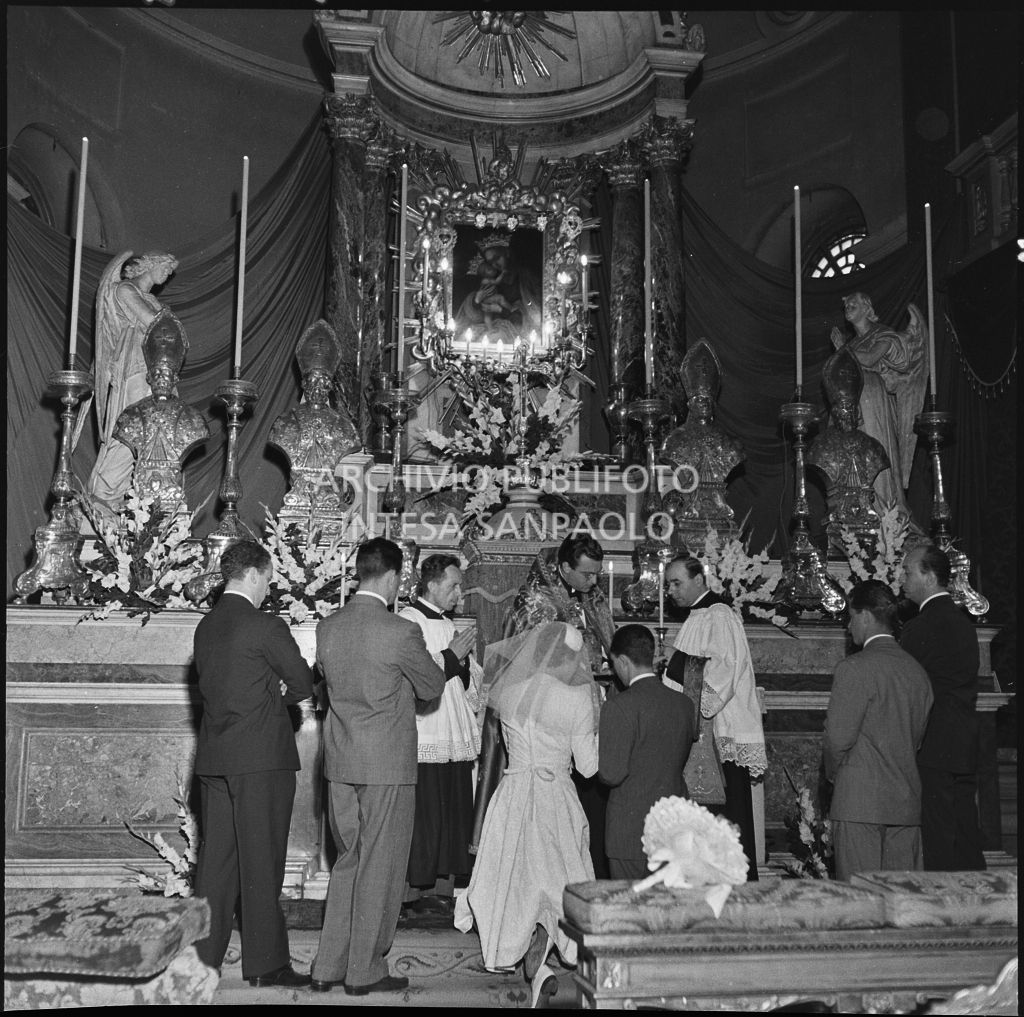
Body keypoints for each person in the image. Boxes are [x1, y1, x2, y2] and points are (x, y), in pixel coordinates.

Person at [311, 537, 446, 995]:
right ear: (392, 577)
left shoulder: (328, 627)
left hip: (340, 762)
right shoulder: (400, 631)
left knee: (348, 860)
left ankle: (329, 964)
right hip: (386, 764)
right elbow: (431, 687)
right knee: (381, 866)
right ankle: (365, 969)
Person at [455, 621, 599, 1008]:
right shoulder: (580, 694)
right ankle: (546, 949)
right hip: (555, 794)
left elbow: (500, 743)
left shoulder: (508, 688)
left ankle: (529, 955)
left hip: (514, 790)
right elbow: (588, 767)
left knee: (517, 873)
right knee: (558, 873)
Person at [191, 540, 314, 987]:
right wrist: (281, 691)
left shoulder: (205, 627)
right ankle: (266, 963)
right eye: (269, 578)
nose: (269, 587)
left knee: (216, 864)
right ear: (256, 575)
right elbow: (302, 682)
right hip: (260, 760)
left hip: (216, 758)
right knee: (261, 862)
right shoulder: (265, 626)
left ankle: (201, 961)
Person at [471, 534, 615, 875]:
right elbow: (532, 664)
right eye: (587, 575)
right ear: (565, 568)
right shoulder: (536, 602)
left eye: (597, 574)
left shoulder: (587, 593)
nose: (594, 582)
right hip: (542, 709)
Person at [824, 580, 934, 881]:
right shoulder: (917, 672)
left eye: (850, 616)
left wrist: (838, 777)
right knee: (903, 905)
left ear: (866, 616)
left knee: (862, 906)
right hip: (905, 805)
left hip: (859, 805)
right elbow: (917, 740)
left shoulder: (854, 668)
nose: (848, 626)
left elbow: (837, 740)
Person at [664, 556, 766, 880]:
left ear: (699, 578)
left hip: (717, 743)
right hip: (698, 736)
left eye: (676, 583)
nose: (670, 591)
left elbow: (724, 673)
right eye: (668, 584)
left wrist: (675, 661)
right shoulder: (698, 616)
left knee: (722, 824)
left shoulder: (719, 615)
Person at [398, 554, 481, 912]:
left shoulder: (451, 625)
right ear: (431, 585)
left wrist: (463, 664)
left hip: (454, 728)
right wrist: (451, 656)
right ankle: (413, 890)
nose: (459, 593)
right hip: (425, 729)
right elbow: (413, 678)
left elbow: (470, 683)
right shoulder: (407, 622)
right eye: (453, 586)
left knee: (452, 810)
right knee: (426, 814)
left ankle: (443, 888)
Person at [901, 543, 986, 871]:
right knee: (965, 830)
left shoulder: (922, 627)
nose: (902, 579)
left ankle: (944, 907)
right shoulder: (962, 622)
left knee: (937, 837)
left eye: (909, 572)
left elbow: (907, 686)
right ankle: (978, 903)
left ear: (930, 576)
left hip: (933, 743)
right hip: (963, 741)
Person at [77, 250, 181, 516]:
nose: (167, 274)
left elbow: (170, 330)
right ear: (149, 264)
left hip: (159, 367)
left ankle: (136, 497)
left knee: (156, 431)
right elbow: (153, 323)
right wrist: (167, 319)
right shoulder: (125, 289)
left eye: (170, 271)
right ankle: (103, 493)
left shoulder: (151, 299)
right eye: (165, 268)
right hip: (135, 364)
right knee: (133, 426)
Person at [599, 624, 696, 880]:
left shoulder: (619, 707)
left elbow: (611, 774)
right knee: (667, 911)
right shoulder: (685, 705)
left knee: (632, 913)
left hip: (631, 833)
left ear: (622, 661)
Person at [829, 292, 927, 522]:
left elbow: (871, 358)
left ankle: (886, 510)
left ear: (867, 308)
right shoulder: (852, 344)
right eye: (845, 304)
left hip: (874, 402)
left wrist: (842, 349)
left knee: (876, 449)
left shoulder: (882, 334)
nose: (848, 306)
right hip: (853, 404)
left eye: (854, 302)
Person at [111, 308, 209, 510]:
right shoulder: (130, 416)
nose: (161, 378)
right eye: (156, 374)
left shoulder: (194, 420)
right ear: (148, 377)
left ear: (176, 378)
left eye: (166, 374)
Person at [455, 234, 542, 344]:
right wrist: (476, 300)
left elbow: (531, 315)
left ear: (507, 253)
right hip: (491, 326)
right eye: (490, 262)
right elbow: (476, 314)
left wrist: (501, 310)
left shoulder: (525, 278)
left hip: (514, 330)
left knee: (495, 339)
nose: (495, 265)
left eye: (497, 258)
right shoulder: (491, 279)